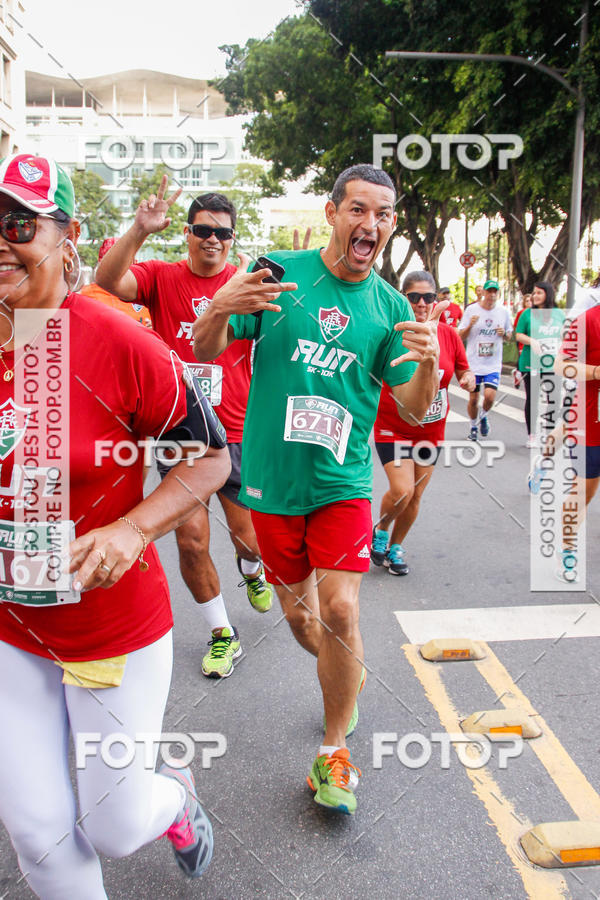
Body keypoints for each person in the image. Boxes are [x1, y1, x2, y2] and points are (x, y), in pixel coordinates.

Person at [0, 153, 231, 896]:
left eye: (18, 225)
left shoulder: (114, 337)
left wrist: (133, 529)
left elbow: (208, 459)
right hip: (13, 628)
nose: (2, 242)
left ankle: (176, 799)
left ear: (68, 242)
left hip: (109, 629)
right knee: (35, 827)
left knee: (114, 825)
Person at [193, 163, 443, 815]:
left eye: (384, 214)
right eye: (359, 210)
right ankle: (343, 679)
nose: (372, 224)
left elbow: (415, 410)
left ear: (391, 225)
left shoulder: (389, 308)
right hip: (273, 488)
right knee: (303, 619)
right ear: (332, 213)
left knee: (340, 611)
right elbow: (205, 343)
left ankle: (334, 751)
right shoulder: (279, 274)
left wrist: (432, 364)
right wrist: (222, 305)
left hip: (341, 485)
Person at [96, 183, 273, 680]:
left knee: (251, 539)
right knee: (191, 542)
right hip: (181, 433)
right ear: (188, 235)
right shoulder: (160, 277)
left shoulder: (246, 285)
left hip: (238, 432)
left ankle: (250, 568)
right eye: (201, 230)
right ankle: (223, 634)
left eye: (221, 232)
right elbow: (107, 279)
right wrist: (139, 229)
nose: (211, 239)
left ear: (232, 240)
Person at [371, 271, 475, 575]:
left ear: (436, 299)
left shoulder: (449, 335)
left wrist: (468, 380)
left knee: (416, 494)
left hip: (431, 430)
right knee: (402, 490)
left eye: (428, 297)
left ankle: (396, 546)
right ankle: (381, 527)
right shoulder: (392, 331)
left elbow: (462, 370)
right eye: (413, 296)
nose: (421, 303)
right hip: (393, 427)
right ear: (404, 297)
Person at [553, 305, 600, 581]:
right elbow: (561, 364)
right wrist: (596, 371)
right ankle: (567, 549)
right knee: (584, 491)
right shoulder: (589, 320)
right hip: (589, 423)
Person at [458, 277, 513, 440]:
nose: (492, 295)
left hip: (493, 364)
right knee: (473, 399)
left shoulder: (503, 312)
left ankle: (483, 416)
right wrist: (470, 325)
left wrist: (505, 334)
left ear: (498, 294)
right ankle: (473, 426)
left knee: (489, 397)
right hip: (474, 363)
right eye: (489, 291)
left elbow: (509, 335)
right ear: (483, 293)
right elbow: (461, 335)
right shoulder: (472, 310)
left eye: (495, 292)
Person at [515, 282, 564, 448]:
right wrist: (532, 341)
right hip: (531, 364)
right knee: (533, 399)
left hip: (553, 364)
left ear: (548, 295)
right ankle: (532, 435)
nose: (535, 296)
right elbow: (518, 335)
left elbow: (566, 335)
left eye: (539, 293)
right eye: (534, 293)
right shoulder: (527, 314)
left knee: (555, 399)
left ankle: (549, 432)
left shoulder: (558, 314)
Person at [81, 237, 152, 327]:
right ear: (101, 264)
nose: (116, 269)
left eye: (122, 262)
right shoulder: (86, 295)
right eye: (111, 262)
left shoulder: (147, 295)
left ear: (135, 262)